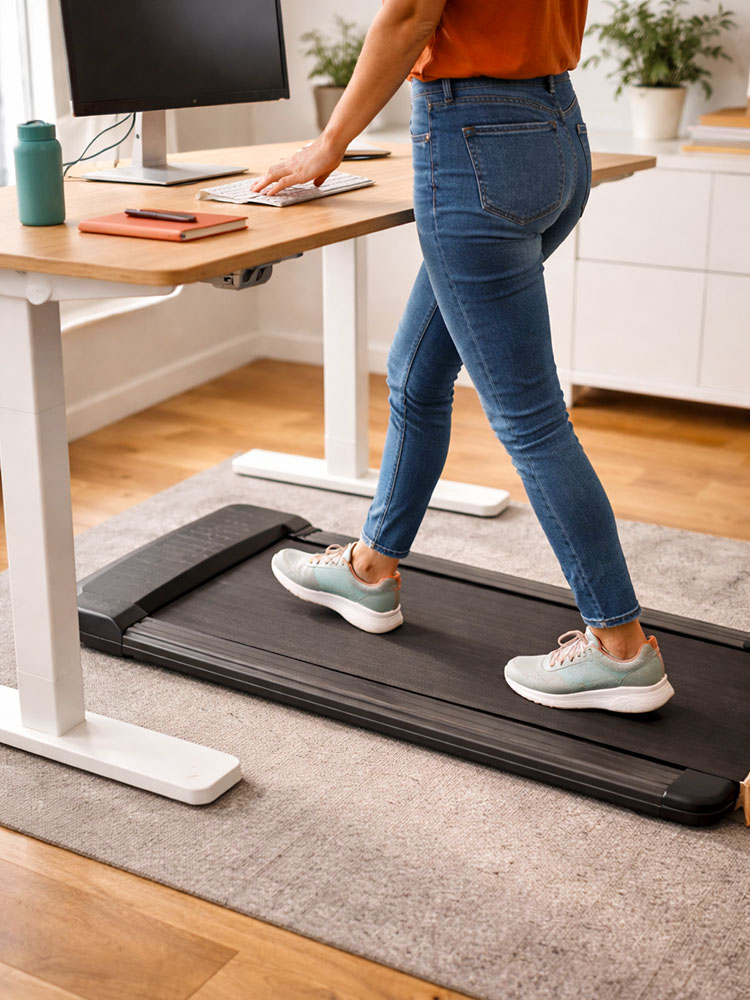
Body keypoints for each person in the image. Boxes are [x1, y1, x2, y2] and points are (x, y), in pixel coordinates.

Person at [256, 0, 675, 714]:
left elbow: (411, 13)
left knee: (532, 421)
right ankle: (371, 569)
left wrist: (329, 142)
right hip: (555, 128)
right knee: (417, 376)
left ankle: (622, 648)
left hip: (474, 139)